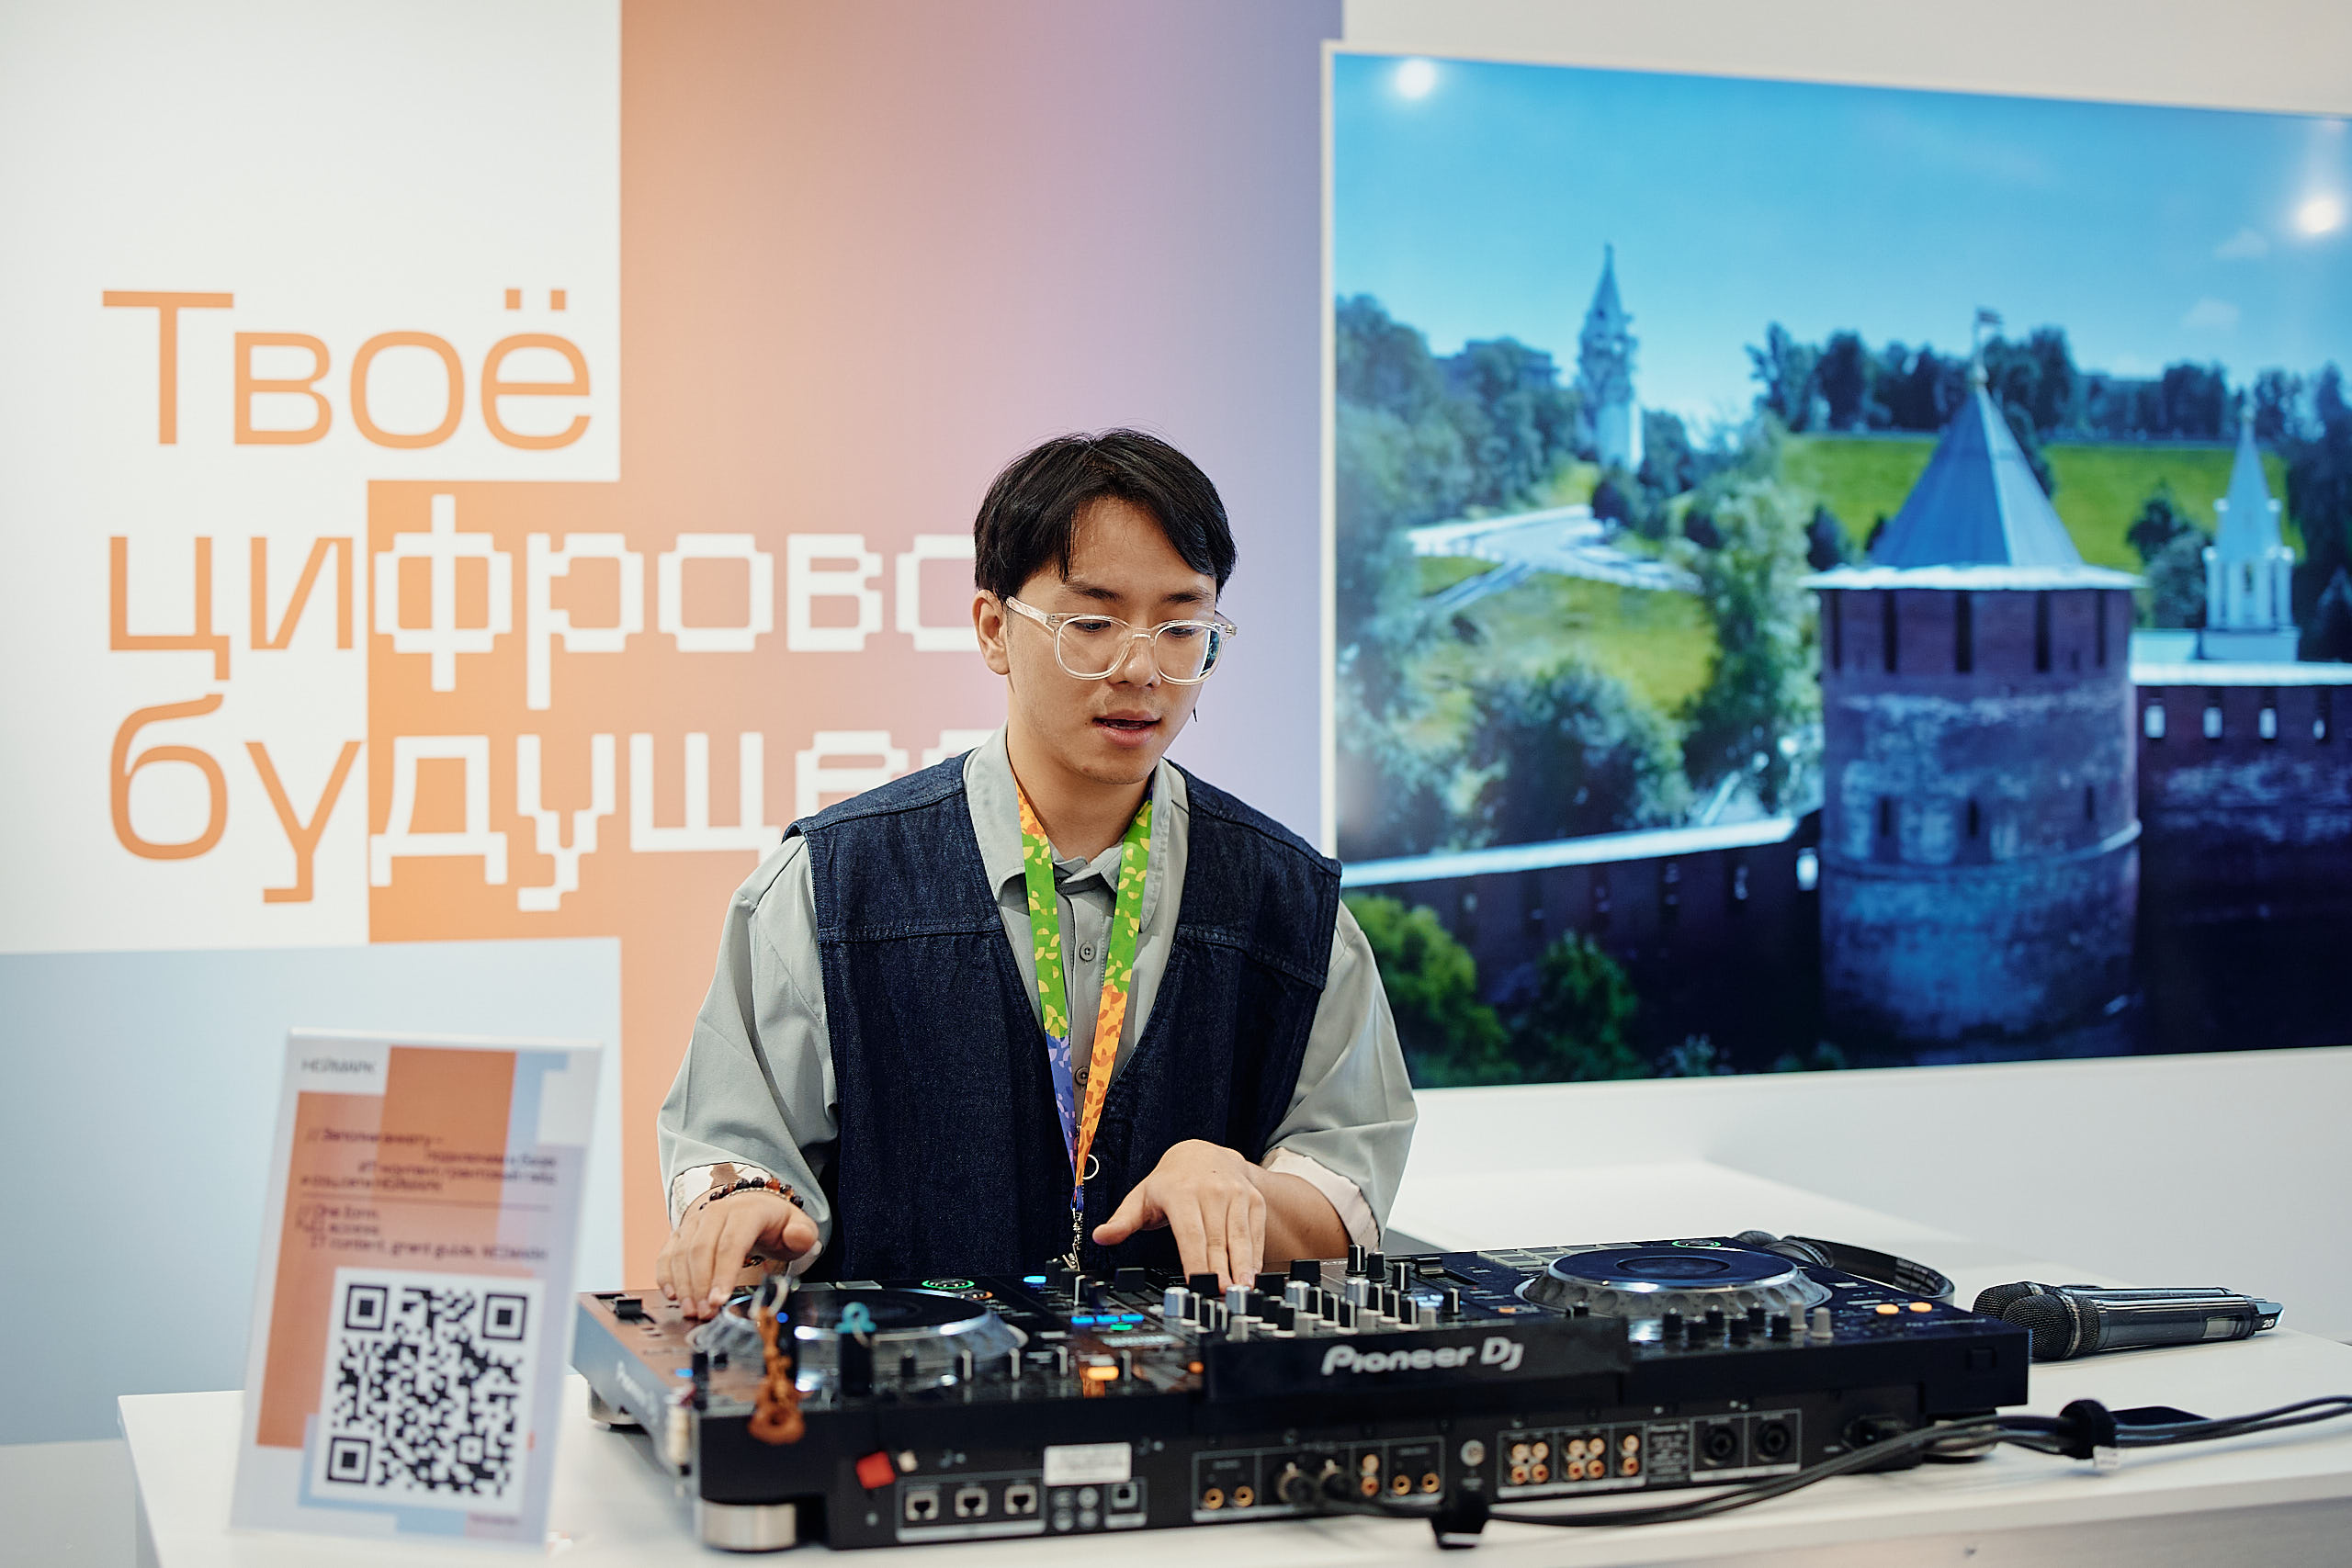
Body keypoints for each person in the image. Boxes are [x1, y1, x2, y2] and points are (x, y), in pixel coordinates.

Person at [654, 430, 1414, 1319]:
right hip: (911, 1397)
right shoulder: (829, 887)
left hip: (1197, 1396)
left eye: (1181, 628)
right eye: (1091, 624)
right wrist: (738, 1206)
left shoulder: (1293, 908)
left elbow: (1344, 1198)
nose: (1141, 668)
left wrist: (1245, 1189)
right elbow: (733, 1158)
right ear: (993, 629)